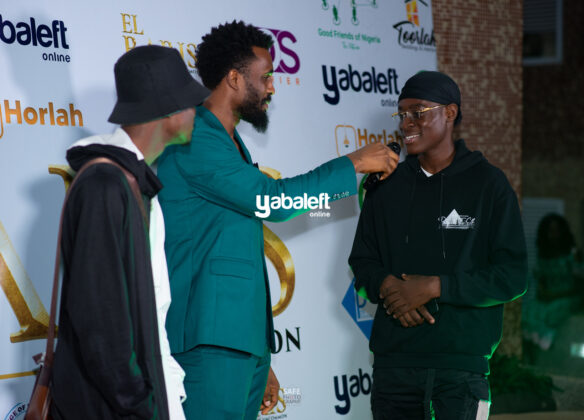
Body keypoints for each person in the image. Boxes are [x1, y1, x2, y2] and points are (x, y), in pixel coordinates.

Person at [157, 20, 398, 420]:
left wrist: (260, 353)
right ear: (234, 79)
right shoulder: (196, 138)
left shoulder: (228, 141)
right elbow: (274, 201)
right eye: (265, 76)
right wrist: (352, 164)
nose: (272, 87)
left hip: (238, 345)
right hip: (209, 342)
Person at [348, 71, 528, 420]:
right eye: (402, 114)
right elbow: (362, 260)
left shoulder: (489, 184)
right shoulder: (385, 185)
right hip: (394, 368)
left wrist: (434, 287)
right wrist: (391, 290)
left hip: (461, 371)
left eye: (418, 112)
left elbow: (513, 276)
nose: (406, 123)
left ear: (450, 112)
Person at [50, 45, 210, 420]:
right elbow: (98, 318)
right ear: (167, 110)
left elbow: (149, 308)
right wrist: (139, 405)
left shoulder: (132, 184)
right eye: (191, 102)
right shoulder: (105, 185)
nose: (197, 111)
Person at [522, 213, 584, 357]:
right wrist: (544, 293)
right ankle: (535, 349)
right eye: (550, 231)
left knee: (552, 312)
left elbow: (579, 285)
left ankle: (547, 338)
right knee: (530, 312)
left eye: (556, 231)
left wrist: (555, 295)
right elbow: (541, 281)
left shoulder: (572, 254)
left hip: (567, 297)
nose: (553, 235)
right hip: (548, 297)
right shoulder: (543, 255)